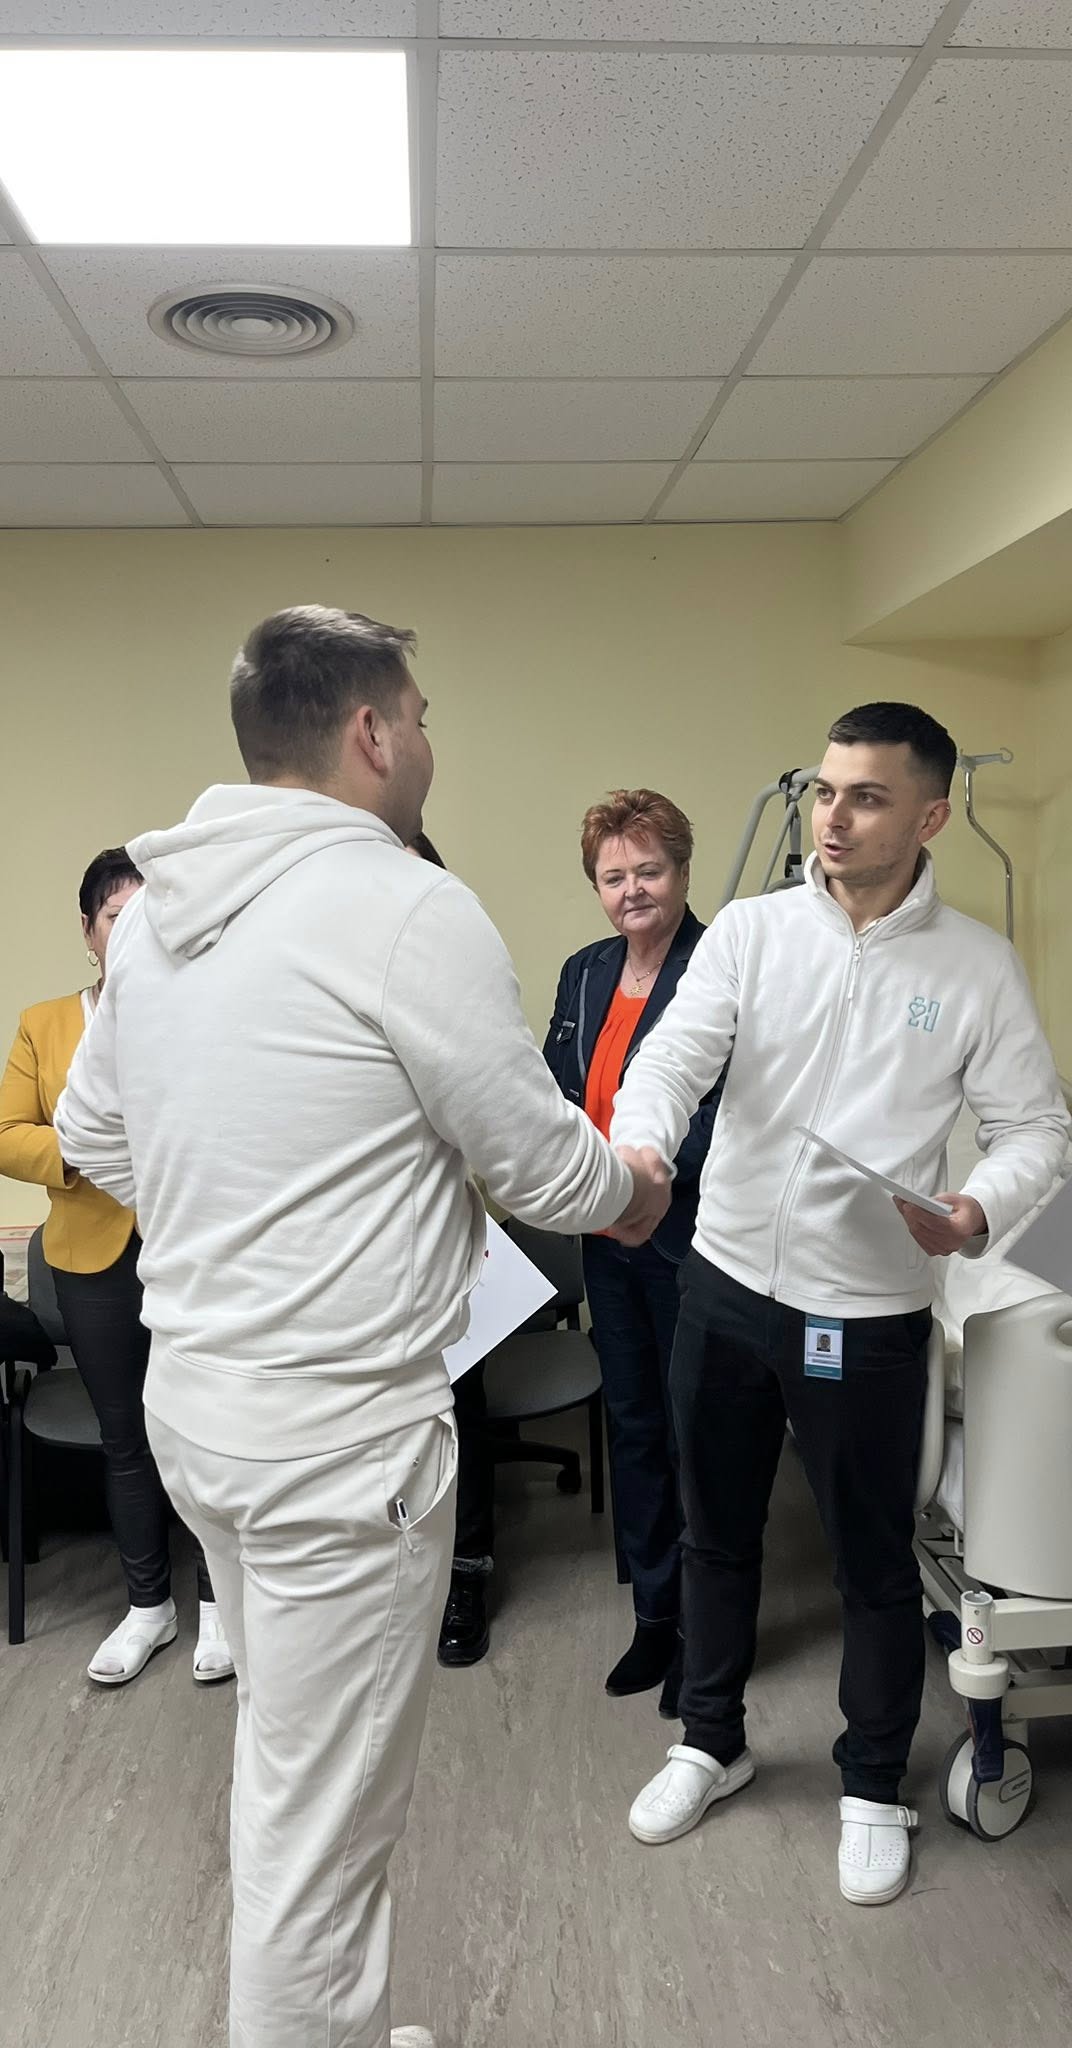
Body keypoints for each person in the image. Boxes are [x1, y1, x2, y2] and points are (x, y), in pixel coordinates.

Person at [54, 605, 669, 2048]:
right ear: (372, 731)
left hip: (202, 1415)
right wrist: (634, 1190)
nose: (430, 743)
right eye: (424, 716)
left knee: (288, 1762)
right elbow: (539, 1167)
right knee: (319, 1837)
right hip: (339, 1451)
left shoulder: (158, 913)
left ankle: (335, 2022)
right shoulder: (402, 906)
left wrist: (244, 1203)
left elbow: (92, 1131)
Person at [611, 703, 1069, 1906]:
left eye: (866, 796)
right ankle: (710, 1738)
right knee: (715, 1530)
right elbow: (672, 1058)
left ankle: (871, 1783)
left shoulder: (973, 966)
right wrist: (642, 1144)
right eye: (824, 790)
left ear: (930, 815)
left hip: (861, 1311)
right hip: (721, 1284)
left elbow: (1036, 1127)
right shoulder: (754, 931)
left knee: (870, 1557)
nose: (832, 816)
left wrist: (973, 1208)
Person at [0, 848, 234, 1687]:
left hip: (191, 1244)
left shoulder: (200, 1011)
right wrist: (86, 1150)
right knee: (124, 1436)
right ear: (89, 931)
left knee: (208, 1429)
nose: (132, 933)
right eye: (115, 918)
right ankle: (148, 1606)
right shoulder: (45, 1024)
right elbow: (7, 1135)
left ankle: (219, 1604)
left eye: (148, 918)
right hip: (92, 1258)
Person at [545, 790, 721, 1713]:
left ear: (682, 872)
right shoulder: (584, 973)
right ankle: (655, 1614)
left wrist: (645, 1182)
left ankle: (704, 1628)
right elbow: (554, 1093)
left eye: (649, 871)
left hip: (687, 1237)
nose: (632, 891)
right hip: (605, 1241)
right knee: (635, 1425)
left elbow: (729, 1111)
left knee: (695, 1431)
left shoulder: (719, 967)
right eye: (613, 877)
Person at [405, 829, 495, 1670]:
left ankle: (468, 1572)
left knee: (461, 1406)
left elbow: (505, 1127)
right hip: (361, 1263)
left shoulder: (459, 984)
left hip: (446, 1247)